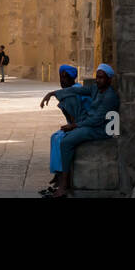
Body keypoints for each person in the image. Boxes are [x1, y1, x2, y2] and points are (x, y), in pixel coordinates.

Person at [46, 64, 120, 199]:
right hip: (90, 125)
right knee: (62, 137)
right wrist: (54, 93)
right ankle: (62, 178)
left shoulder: (109, 96)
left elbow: (97, 120)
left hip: (100, 129)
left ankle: (64, 184)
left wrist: (75, 126)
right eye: (97, 77)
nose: (98, 80)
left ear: (109, 79)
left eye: (101, 78)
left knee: (66, 142)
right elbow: (77, 91)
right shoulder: (96, 89)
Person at [37, 64, 85, 196]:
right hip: (75, 124)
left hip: (81, 124)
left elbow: (77, 116)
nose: (62, 80)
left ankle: (63, 179)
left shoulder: (74, 92)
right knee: (55, 137)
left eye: (65, 77)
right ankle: (57, 173)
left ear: (71, 78)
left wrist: (73, 126)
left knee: (61, 140)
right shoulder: (69, 91)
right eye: (61, 77)